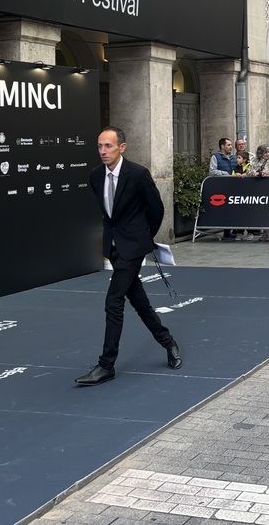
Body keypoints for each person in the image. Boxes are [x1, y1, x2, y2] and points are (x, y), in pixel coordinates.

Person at [76, 127, 180, 386]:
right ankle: (169, 343)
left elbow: (156, 209)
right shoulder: (95, 176)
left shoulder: (138, 174)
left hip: (133, 248)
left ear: (122, 147)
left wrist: (142, 239)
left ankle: (106, 364)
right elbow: (109, 214)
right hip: (114, 247)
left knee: (114, 301)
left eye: (108, 146)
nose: (103, 151)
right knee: (139, 302)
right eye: (100, 146)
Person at [246, 144, 269, 241]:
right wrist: (254, 173)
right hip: (257, 188)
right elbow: (249, 170)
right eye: (265, 152)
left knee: (268, 210)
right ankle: (264, 233)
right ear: (260, 153)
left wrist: (260, 173)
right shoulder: (255, 159)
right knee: (261, 210)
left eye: (268, 152)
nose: (267, 154)